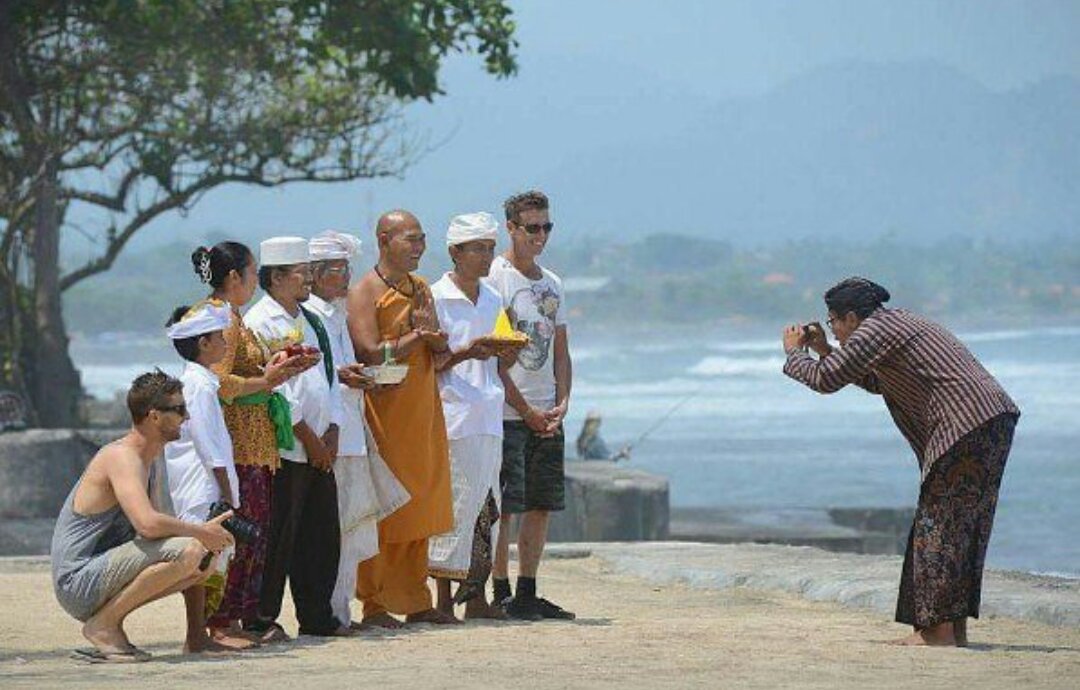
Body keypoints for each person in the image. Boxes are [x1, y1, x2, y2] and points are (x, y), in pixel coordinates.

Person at [782, 277, 1020, 647]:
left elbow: (826, 380)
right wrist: (826, 348)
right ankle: (951, 631)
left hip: (965, 425)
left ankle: (937, 633)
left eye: (833, 322)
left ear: (851, 317)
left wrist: (794, 353)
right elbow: (876, 382)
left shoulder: (874, 330)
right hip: (988, 420)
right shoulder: (893, 324)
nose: (835, 330)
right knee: (959, 528)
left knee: (938, 526)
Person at [51, 371, 234, 663]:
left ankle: (109, 623)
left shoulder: (151, 460)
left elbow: (157, 529)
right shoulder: (121, 457)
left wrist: (210, 538)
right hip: (78, 581)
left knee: (202, 562)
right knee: (190, 549)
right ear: (154, 416)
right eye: (179, 410)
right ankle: (103, 626)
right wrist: (200, 532)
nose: (187, 417)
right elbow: (147, 525)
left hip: (98, 575)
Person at [192, 242, 307, 644]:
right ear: (234, 277)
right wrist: (266, 380)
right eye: (254, 273)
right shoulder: (221, 318)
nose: (257, 281)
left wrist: (273, 368)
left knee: (253, 535)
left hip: (253, 441)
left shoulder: (231, 316)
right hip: (238, 442)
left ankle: (235, 619)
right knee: (239, 536)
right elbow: (218, 381)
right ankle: (221, 622)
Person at [346, 209, 457, 627]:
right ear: (383, 240)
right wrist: (418, 336)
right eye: (410, 239)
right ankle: (374, 603)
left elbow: (439, 351)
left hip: (422, 410)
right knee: (386, 506)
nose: (419, 247)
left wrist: (436, 340)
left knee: (421, 502)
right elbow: (369, 353)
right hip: (385, 414)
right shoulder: (365, 291)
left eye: (421, 238)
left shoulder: (420, 288)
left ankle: (415, 599)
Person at [245, 236, 350, 637]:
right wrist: (307, 436)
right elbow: (276, 391)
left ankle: (317, 616)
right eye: (301, 273)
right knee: (278, 535)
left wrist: (333, 428)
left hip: (321, 442)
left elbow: (329, 379)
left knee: (320, 535)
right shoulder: (260, 322)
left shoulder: (312, 320)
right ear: (276, 278)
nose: (308, 279)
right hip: (286, 447)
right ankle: (262, 618)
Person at [305, 230, 410, 629]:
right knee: (335, 529)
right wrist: (345, 377)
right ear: (315, 274)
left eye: (347, 269)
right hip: (328, 435)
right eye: (337, 270)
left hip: (352, 429)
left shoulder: (338, 313)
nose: (345, 278)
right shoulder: (310, 317)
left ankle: (342, 611)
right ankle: (331, 614)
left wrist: (364, 379)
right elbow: (311, 378)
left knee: (354, 528)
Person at [428, 212, 524, 620]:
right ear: (455, 252)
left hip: (488, 412)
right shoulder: (434, 298)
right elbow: (432, 364)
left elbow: (501, 363)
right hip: (452, 412)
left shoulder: (493, 298)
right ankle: (442, 599)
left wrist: (508, 350)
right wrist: (469, 352)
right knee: (453, 505)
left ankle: (476, 597)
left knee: (487, 505)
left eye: (489, 248)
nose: (486, 257)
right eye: (477, 249)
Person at [487, 190, 575, 620]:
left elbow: (561, 351)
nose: (540, 236)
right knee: (506, 507)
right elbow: (494, 358)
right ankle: (500, 589)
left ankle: (528, 589)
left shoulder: (552, 282)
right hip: (509, 413)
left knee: (541, 504)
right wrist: (525, 411)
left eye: (546, 227)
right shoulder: (496, 279)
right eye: (532, 228)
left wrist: (563, 401)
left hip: (546, 410)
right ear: (511, 228)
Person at [163, 301, 248, 654]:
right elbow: (207, 443)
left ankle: (202, 632)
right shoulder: (197, 385)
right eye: (219, 337)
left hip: (202, 482)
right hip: (202, 484)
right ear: (203, 343)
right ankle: (196, 635)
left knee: (208, 558)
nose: (225, 343)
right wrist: (227, 492)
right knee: (199, 556)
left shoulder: (200, 381)